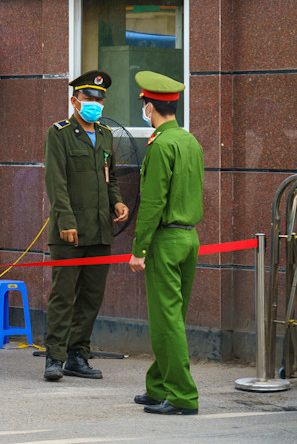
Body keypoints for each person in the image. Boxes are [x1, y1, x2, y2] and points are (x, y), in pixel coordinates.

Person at [43, 70, 129, 382]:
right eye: (88, 97)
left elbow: (110, 177)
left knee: (91, 297)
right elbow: (56, 181)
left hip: (100, 229)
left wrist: (117, 202)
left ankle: (78, 355)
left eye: (99, 99)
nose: (95, 103)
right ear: (74, 100)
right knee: (63, 295)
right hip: (70, 231)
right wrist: (66, 221)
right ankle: (55, 356)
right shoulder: (60, 133)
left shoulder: (105, 134)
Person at [128, 71, 204, 416]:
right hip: (189, 237)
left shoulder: (160, 145)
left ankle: (182, 396)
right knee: (173, 317)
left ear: (149, 107)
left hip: (165, 240)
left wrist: (139, 249)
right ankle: (158, 386)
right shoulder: (189, 141)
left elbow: (152, 202)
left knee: (166, 322)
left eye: (144, 104)